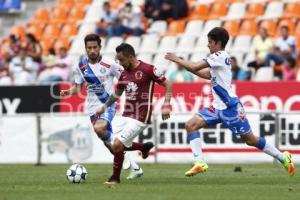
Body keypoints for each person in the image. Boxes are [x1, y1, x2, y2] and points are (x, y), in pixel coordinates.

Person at [165, 27, 295, 177]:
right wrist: (185, 66)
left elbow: (195, 66)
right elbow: (205, 74)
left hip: (230, 108)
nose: (208, 45)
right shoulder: (218, 59)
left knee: (251, 140)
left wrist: (177, 59)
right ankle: (199, 162)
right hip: (216, 107)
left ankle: (282, 156)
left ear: (218, 43)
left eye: (210, 42)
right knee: (191, 125)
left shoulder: (219, 55)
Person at [60, 34, 149, 180]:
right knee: (110, 145)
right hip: (92, 109)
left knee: (99, 129)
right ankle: (139, 157)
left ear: (100, 48)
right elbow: (77, 89)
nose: (92, 50)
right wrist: (67, 92)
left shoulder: (110, 64)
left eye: (95, 47)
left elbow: (125, 77)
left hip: (108, 104)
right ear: (86, 48)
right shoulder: (81, 66)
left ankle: (127, 161)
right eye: (89, 48)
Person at [96, 43, 172, 186]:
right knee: (114, 144)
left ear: (130, 57)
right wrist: (104, 106)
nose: (120, 64)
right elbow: (117, 94)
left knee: (118, 144)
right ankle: (143, 147)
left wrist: (167, 104)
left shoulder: (148, 69)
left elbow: (168, 84)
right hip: (127, 114)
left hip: (142, 115)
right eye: (118, 61)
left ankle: (115, 178)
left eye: (122, 60)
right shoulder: (124, 73)